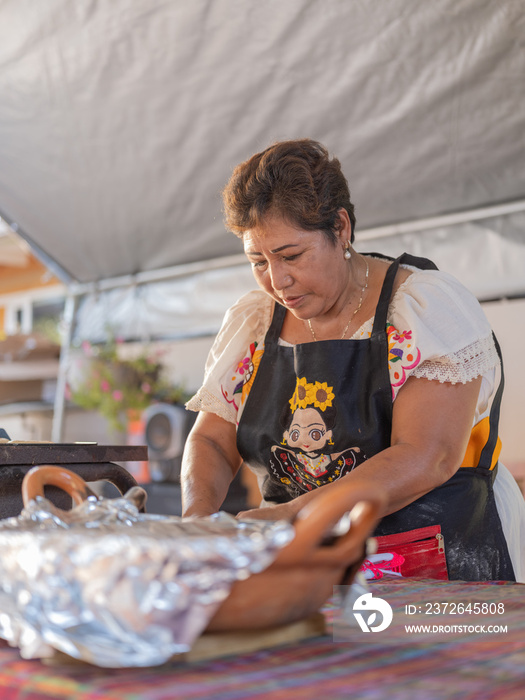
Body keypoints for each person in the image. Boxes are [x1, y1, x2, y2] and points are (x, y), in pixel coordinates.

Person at [181, 138, 525, 581]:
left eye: (291, 255)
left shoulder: (424, 308)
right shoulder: (254, 321)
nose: (278, 280)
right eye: (258, 261)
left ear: (340, 228)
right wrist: (195, 521)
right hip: (304, 560)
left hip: (430, 552)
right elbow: (211, 439)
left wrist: (296, 515)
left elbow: (427, 454)